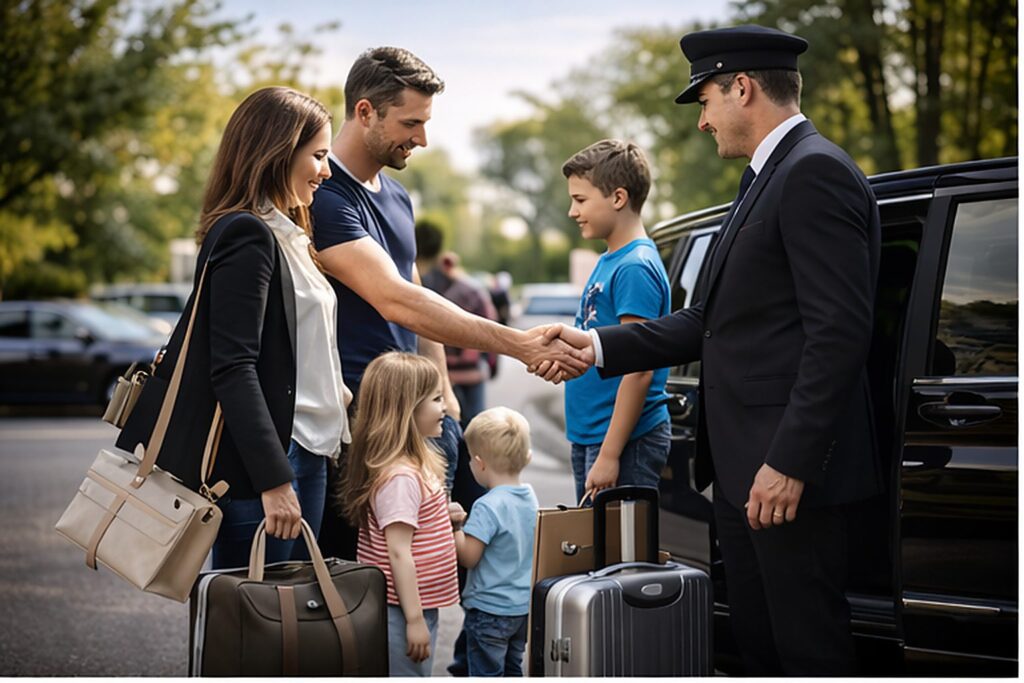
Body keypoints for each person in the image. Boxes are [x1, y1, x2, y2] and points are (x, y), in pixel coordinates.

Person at [543, 25, 882, 675]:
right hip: (744, 475)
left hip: (787, 477)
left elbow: (837, 332)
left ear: (743, 88)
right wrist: (591, 344)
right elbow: (711, 321)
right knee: (757, 642)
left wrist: (790, 460)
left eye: (704, 101)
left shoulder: (814, 173)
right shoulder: (769, 177)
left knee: (807, 647)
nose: (703, 122)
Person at [310, 46, 583, 562]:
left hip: (422, 412)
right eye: (410, 122)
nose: (422, 138)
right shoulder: (325, 198)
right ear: (365, 111)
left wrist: (443, 387)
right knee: (366, 578)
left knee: (439, 570)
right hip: (362, 422)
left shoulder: (395, 195)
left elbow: (415, 286)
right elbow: (395, 300)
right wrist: (518, 344)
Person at [118, 86, 347, 568]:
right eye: (319, 155)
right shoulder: (248, 235)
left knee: (281, 622)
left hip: (307, 449)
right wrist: (274, 479)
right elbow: (233, 367)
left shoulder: (290, 235)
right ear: (278, 153)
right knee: (248, 623)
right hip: (265, 464)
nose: (326, 170)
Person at [560, 140, 671, 504]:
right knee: (595, 552)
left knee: (619, 558)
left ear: (618, 198)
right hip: (594, 434)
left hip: (624, 442)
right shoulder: (611, 259)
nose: (572, 211)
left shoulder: (634, 267)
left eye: (580, 199)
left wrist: (609, 455)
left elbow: (638, 369)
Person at [339, 352, 460, 676]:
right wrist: (415, 620)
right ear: (407, 409)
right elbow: (397, 550)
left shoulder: (409, 468)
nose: (445, 407)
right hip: (402, 609)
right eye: (436, 399)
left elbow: (406, 522)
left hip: (411, 604)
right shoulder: (401, 477)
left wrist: (440, 515)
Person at [450, 407, 538, 677]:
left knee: (486, 673)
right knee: (512, 668)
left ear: (480, 463)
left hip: (489, 610)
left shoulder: (487, 506)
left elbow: (468, 557)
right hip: (521, 609)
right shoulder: (529, 497)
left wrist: (455, 527)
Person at [416, 220, 499, 428]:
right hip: (471, 373)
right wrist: (491, 364)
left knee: (437, 435)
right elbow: (489, 322)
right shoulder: (470, 288)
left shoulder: (413, 283)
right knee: (476, 433)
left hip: (430, 375)